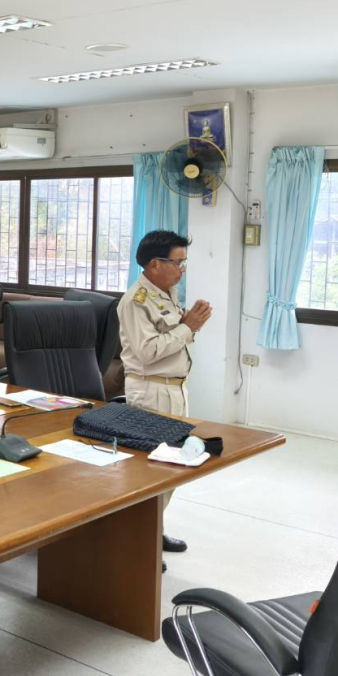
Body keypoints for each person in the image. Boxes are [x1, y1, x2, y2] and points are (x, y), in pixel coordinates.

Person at [117, 229, 213, 563]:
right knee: (151, 471)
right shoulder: (136, 301)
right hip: (151, 391)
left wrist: (186, 324)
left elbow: (170, 337)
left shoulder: (166, 293)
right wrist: (189, 328)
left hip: (174, 389)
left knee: (171, 469)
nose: (182, 270)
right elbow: (147, 352)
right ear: (155, 264)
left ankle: (153, 530)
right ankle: (139, 540)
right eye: (177, 263)